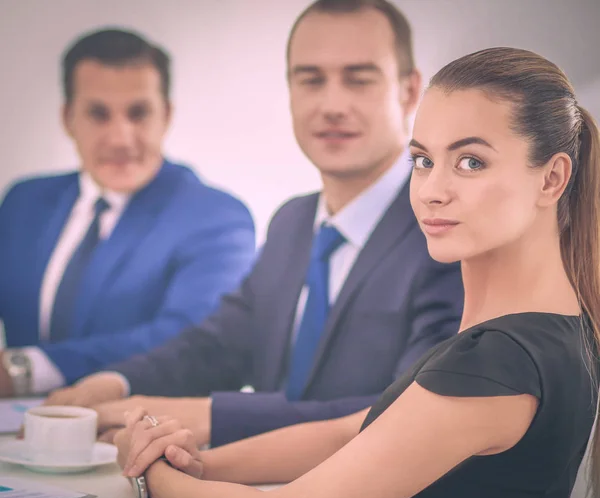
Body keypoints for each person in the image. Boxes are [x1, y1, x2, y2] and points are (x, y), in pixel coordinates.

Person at [113, 45, 600, 498]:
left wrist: (153, 474)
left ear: (552, 178)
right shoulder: (556, 330)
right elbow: (354, 434)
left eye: (471, 162)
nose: (432, 189)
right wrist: (198, 463)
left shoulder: (499, 361)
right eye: (423, 160)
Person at [44, 0, 463, 448]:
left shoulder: (446, 227)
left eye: (359, 80)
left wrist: (211, 415)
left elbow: (407, 412)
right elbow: (222, 344)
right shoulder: (294, 222)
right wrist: (116, 382)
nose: (332, 104)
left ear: (408, 90)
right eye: (311, 80)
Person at [0, 28, 256, 398]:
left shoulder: (215, 218)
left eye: (139, 114)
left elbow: (190, 339)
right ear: (68, 118)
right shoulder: (24, 202)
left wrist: (25, 370)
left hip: (137, 437)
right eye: (98, 114)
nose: (121, 138)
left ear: (165, 115)